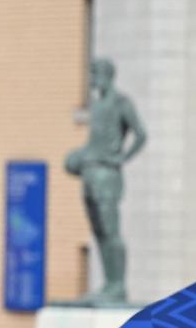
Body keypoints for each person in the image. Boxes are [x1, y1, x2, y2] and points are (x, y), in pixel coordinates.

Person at [63, 57, 147, 304]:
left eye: (95, 74)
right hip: (90, 172)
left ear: (106, 75)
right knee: (98, 231)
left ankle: (117, 285)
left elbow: (141, 135)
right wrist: (79, 156)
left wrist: (121, 158)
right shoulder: (97, 106)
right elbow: (94, 142)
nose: (91, 80)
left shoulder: (121, 103)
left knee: (111, 231)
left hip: (107, 175)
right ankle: (108, 283)